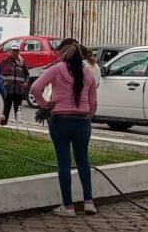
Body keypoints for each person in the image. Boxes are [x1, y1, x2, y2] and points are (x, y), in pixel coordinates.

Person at [31, 43, 98, 217]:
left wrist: (46, 105)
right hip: (82, 122)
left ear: (64, 56)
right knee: (83, 161)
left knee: (64, 163)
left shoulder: (56, 69)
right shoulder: (88, 73)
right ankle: (88, 202)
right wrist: (88, 118)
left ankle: (68, 206)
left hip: (60, 121)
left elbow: (35, 88)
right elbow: (93, 102)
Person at [0, 44, 30, 125]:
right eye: (14, 51)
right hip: (7, 90)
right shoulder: (4, 61)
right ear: (10, 51)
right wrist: (2, 82)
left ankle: (18, 125)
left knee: (18, 110)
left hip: (19, 90)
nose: (15, 52)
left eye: (17, 51)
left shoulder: (22, 62)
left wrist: (26, 83)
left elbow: (27, 74)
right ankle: (3, 124)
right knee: (6, 108)